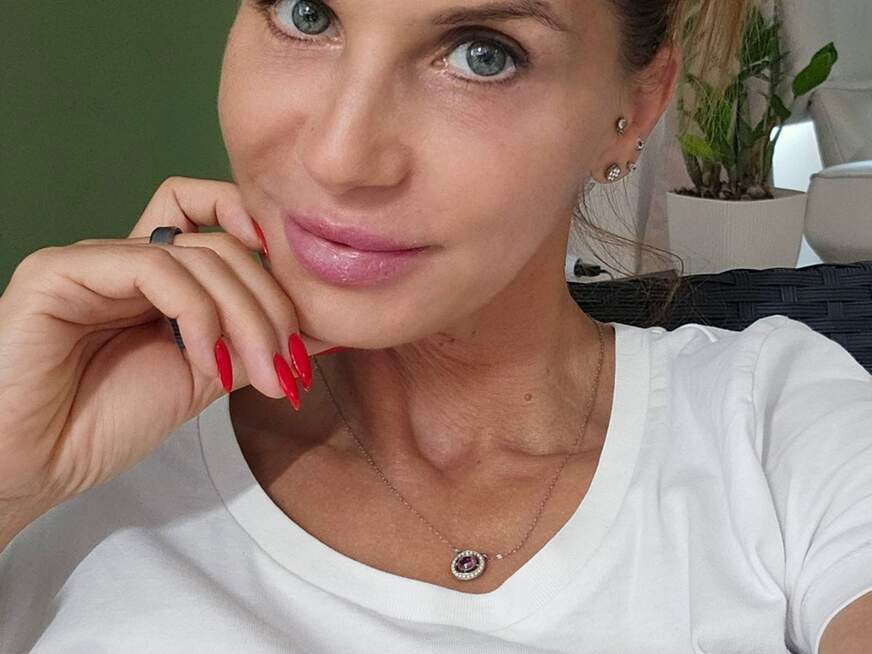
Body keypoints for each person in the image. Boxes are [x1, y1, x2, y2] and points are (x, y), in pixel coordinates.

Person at [1, 0, 870, 652]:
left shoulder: (777, 425)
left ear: (637, 108)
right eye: (306, 14)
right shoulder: (60, 452)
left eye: (484, 55)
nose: (340, 156)